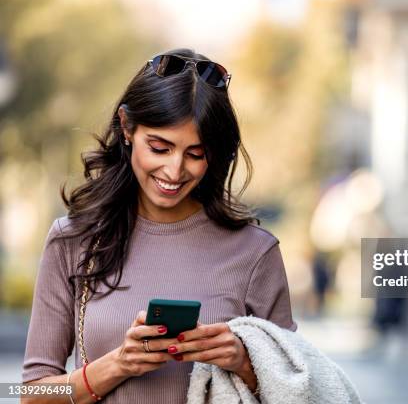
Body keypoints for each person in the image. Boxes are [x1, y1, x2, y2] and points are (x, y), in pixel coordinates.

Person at [21, 48, 297, 403]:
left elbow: (298, 387)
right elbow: (25, 393)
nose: (174, 170)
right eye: (159, 147)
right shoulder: (72, 240)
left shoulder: (256, 252)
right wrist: (118, 364)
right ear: (126, 127)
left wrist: (244, 362)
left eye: (195, 154)